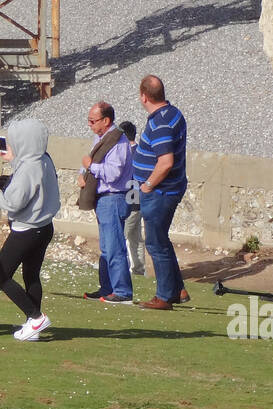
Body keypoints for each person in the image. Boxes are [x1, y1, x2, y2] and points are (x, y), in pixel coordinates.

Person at [0, 119, 61, 342]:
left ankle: (35, 317)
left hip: (27, 230)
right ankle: (33, 324)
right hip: (44, 227)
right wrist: (12, 159)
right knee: (31, 275)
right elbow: (28, 176)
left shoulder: (28, 168)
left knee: (1, 276)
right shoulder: (43, 158)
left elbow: (13, 202)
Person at [133, 75, 189, 309]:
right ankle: (178, 289)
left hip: (160, 192)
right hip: (169, 188)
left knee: (155, 243)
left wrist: (148, 185)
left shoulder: (160, 123)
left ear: (143, 96)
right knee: (161, 240)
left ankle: (164, 297)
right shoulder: (173, 113)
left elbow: (165, 162)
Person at [77, 101, 134, 304]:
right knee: (106, 248)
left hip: (114, 197)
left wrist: (91, 167)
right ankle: (107, 288)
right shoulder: (101, 138)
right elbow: (88, 164)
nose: (90, 124)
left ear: (106, 120)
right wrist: (83, 174)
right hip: (103, 199)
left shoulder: (118, 142)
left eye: (93, 121)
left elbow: (112, 173)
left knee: (115, 246)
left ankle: (123, 291)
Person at [118, 120, 146, 277]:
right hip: (138, 202)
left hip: (132, 202)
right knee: (135, 237)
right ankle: (138, 270)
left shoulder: (129, 154)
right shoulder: (141, 152)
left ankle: (124, 270)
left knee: (122, 236)